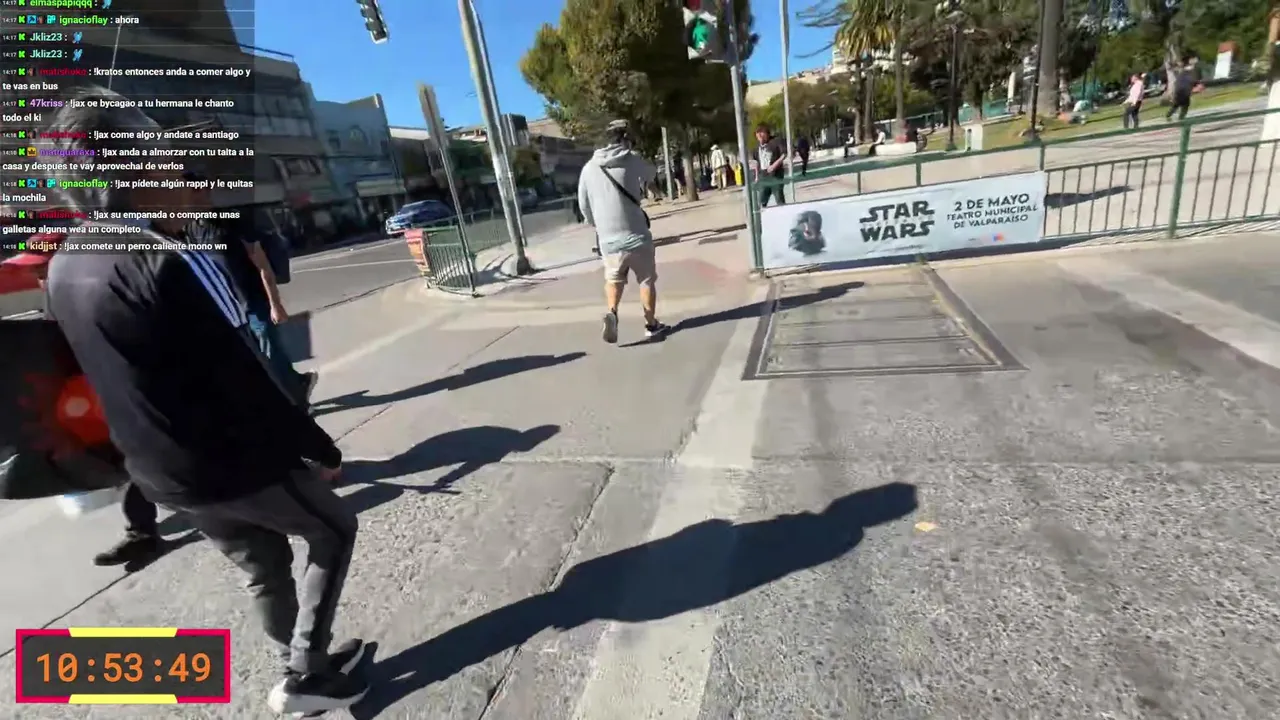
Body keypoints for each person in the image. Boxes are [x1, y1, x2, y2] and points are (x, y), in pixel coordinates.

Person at [40, 87, 368, 715]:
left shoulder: (64, 265)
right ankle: (306, 674)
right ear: (133, 175)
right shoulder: (162, 262)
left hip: (161, 475)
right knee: (334, 529)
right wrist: (319, 448)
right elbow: (243, 379)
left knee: (263, 566)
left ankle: (303, 661)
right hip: (228, 461)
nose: (181, 172)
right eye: (165, 158)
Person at [185, 177, 316, 406]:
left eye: (197, 190)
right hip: (228, 308)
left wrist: (275, 304)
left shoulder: (233, 221)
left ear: (207, 191)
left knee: (270, 355)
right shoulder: (190, 229)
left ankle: (298, 405)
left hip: (254, 302)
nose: (192, 196)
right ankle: (298, 383)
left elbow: (262, 265)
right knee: (256, 360)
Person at [577, 120, 671, 344]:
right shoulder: (632, 159)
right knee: (646, 280)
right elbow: (651, 173)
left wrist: (598, 224)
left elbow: (583, 205)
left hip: (608, 239)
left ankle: (612, 312)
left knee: (614, 278)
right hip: (636, 234)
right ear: (625, 139)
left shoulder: (588, 168)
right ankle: (651, 325)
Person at [753, 124, 786, 207]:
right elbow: (756, 162)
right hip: (763, 177)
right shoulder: (756, 147)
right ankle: (762, 214)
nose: (759, 136)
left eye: (761, 133)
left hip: (776, 176)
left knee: (779, 200)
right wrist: (756, 177)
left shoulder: (776, 141)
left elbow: (784, 154)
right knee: (761, 201)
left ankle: (783, 212)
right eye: (757, 134)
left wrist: (774, 165)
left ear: (767, 133)